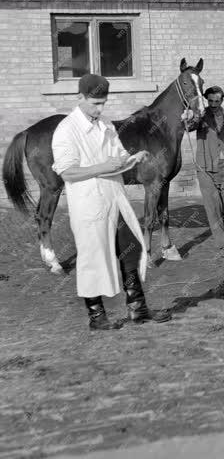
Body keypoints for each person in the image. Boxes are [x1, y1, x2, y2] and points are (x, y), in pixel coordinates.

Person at [51, 73, 171, 330]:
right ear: (80, 98)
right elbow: (67, 172)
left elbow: (118, 156)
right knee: (92, 258)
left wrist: (132, 158)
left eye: (103, 102)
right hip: (89, 203)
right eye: (95, 103)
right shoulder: (66, 130)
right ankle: (97, 317)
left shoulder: (105, 124)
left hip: (115, 199)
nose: (100, 108)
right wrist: (102, 167)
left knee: (132, 249)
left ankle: (137, 310)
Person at [195, 86, 224, 258]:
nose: (214, 104)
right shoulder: (200, 117)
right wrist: (187, 116)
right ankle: (223, 245)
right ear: (207, 100)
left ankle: (221, 234)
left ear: (222, 100)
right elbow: (189, 125)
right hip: (205, 167)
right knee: (213, 207)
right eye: (211, 101)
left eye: (217, 101)